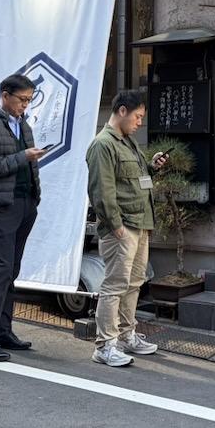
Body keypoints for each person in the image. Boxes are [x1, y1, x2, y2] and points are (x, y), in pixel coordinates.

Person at [0, 73, 50, 361]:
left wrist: (35, 197)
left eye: (29, 100)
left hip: (25, 203)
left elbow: (27, 165)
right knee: (2, 269)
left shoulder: (24, 125)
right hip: (3, 205)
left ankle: (3, 331)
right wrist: (23, 157)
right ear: (5, 95)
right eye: (22, 99)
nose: (25, 105)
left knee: (11, 270)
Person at [86, 89, 168, 367]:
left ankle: (126, 335)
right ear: (122, 111)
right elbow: (101, 191)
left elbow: (133, 178)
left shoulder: (127, 142)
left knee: (134, 283)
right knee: (115, 285)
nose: (139, 123)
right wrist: (116, 226)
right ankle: (105, 345)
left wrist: (152, 166)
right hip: (122, 227)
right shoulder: (103, 144)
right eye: (137, 116)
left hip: (139, 224)